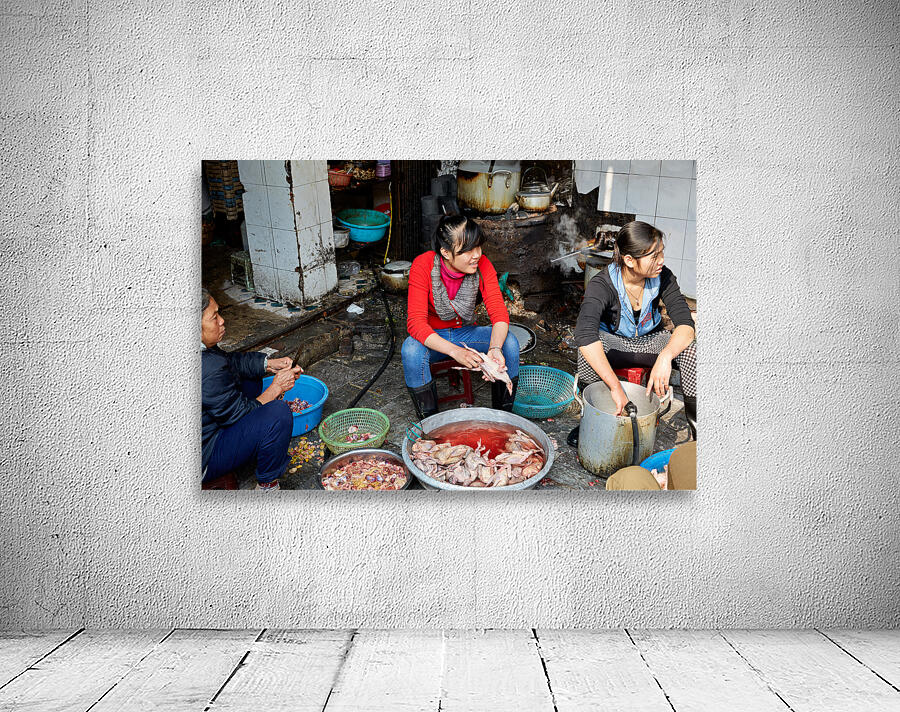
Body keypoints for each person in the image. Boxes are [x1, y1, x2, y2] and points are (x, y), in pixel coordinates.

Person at [574, 221, 697, 437]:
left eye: (661, 253)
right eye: (654, 256)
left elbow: (686, 325)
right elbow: (584, 335)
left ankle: (698, 435)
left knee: (692, 352)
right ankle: (588, 422)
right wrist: (615, 387)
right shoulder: (602, 284)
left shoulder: (664, 277)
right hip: (614, 344)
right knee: (588, 351)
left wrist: (666, 357)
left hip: (652, 343)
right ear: (629, 260)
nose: (661, 261)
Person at [402, 214, 519, 418]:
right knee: (411, 350)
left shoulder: (483, 265)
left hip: (466, 333)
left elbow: (499, 313)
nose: (476, 255)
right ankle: (429, 422)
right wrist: (455, 352)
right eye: (467, 250)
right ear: (446, 252)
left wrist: (494, 348)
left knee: (509, 342)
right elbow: (416, 324)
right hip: (434, 338)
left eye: (478, 247)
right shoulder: (424, 265)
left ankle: (504, 417)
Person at [201, 288, 302, 491]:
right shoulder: (205, 367)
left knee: (250, 378)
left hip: (211, 427)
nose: (221, 321)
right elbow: (238, 415)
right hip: (204, 456)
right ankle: (267, 486)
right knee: (278, 413)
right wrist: (276, 388)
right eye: (214, 317)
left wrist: (269, 364)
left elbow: (230, 363)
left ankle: (256, 443)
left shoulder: (204, 351)